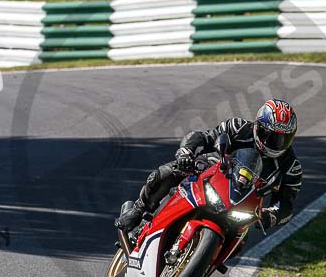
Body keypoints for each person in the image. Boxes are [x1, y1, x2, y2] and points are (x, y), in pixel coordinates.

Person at [116, 99, 302, 233]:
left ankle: (204, 265)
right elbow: (205, 137)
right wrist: (187, 152)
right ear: (258, 127)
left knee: (240, 240)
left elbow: (286, 204)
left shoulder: (291, 166)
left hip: (243, 203)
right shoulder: (238, 127)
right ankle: (138, 210)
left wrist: (270, 215)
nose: (275, 143)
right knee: (167, 172)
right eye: (271, 136)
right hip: (213, 172)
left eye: (283, 138)